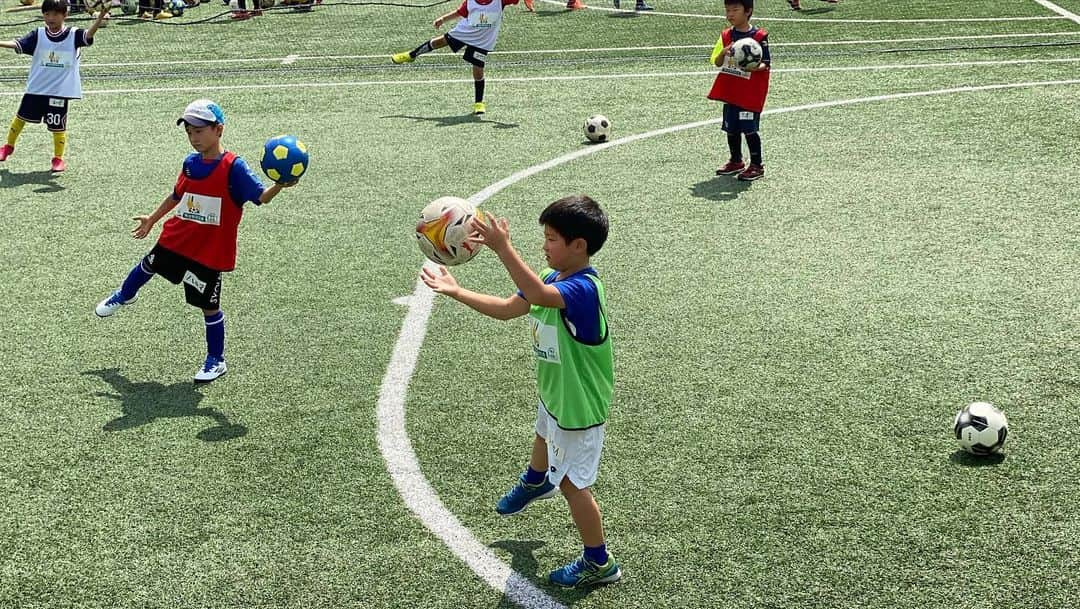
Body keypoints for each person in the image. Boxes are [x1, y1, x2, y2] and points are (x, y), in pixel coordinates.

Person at [421, 195, 620, 588]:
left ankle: (599, 562)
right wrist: (457, 292)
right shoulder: (551, 276)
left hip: (580, 407)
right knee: (543, 429)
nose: (544, 246)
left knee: (574, 485)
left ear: (578, 246)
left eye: (551, 239)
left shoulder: (583, 289)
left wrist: (503, 248)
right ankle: (534, 479)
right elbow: (508, 308)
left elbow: (543, 299)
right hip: (557, 393)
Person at [94, 99, 298, 383]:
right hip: (179, 238)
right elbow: (177, 195)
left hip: (209, 252)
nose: (194, 138)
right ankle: (125, 295)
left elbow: (260, 197)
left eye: (199, 131)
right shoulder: (190, 164)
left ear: (219, 130)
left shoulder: (234, 167)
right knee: (148, 264)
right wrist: (152, 219)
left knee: (209, 307)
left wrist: (280, 185)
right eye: (189, 132)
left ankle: (216, 360)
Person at [0, 0, 110, 172]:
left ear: (64, 15)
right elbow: (18, 44)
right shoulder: (38, 34)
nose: (50, 18)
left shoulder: (74, 35)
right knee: (20, 118)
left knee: (58, 126)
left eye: (55, 14)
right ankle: (8, 147)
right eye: (47, 14)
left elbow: (88, 35)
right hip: (36, 88)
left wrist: (101, 16)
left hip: (59, 92)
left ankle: (58, 159)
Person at [390, 0, 523, 115]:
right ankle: (411, 55)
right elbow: (459, 12)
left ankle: (479, 103)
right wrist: (442, 19)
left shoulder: (501, 1)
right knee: (438, 42)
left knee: (478, 71)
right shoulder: (470, 2)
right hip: (465, 32)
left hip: (482, 41)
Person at [707, 0, 771, 181]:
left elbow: (766, 63)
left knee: (749, 129)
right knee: (731, 128)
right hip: (731, 91)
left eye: (735, 9)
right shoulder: (726, 35)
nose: (730, 14)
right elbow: (718, 62)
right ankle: (736, 160)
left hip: (749, 93)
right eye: (727, 10)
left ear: (748, 11)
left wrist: (752, 66)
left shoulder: (758, 37)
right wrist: (723, 52)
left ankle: (757, 165)